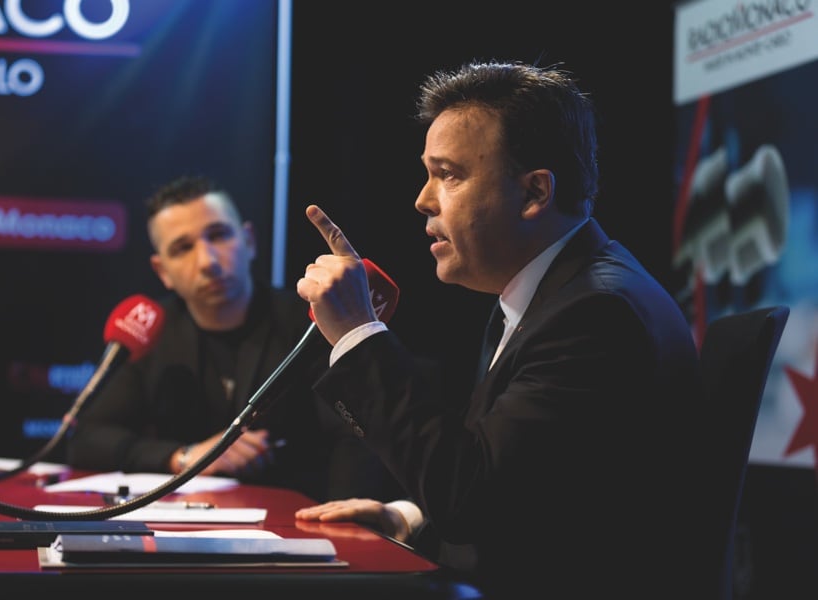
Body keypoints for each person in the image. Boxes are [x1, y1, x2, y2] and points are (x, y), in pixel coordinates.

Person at [293, 61, 709, 598]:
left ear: (535, 192)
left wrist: (356, 333)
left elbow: (473, 502)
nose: (423, 199)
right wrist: (408, 519)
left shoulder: (596, 314)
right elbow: (522, 486)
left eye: (448, 174)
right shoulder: (551, 293)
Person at [66, 174, 401, 504]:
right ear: (162, 271)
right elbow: (86, 439)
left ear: (249, 241)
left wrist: (344, 526)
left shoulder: (312, 324)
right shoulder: (150, 331)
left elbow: (357, 439)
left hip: (296, 523)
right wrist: (184, 457)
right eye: (183, 248)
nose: (208, 261)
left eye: (219, 235)